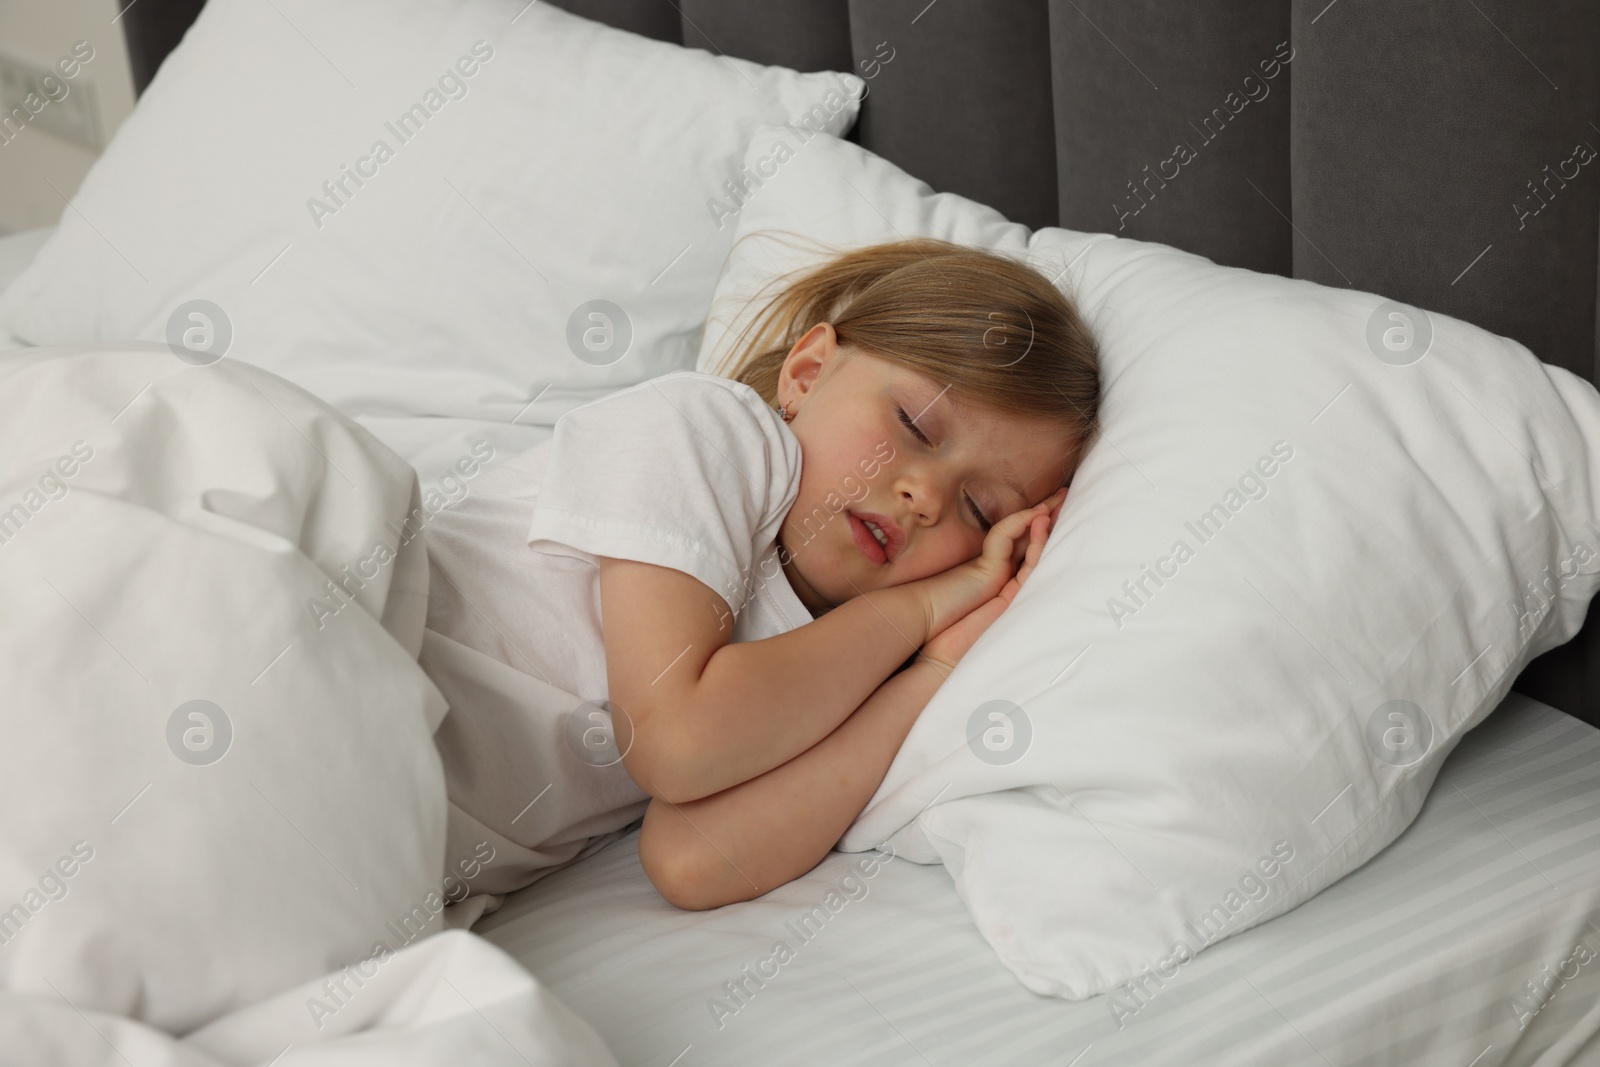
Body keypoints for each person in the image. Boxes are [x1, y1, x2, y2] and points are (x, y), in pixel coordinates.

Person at [419, 234, 1100, 920]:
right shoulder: (710, 431)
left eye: (980, 509)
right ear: (806, 373)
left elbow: (695, 859)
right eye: (915, 425)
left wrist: (938, 662)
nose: (924, 495)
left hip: (396, 831)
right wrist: (920, 609)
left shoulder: (849, 659)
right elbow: (675, 739)